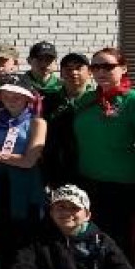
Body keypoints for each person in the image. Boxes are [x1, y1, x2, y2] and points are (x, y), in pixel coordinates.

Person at [72, 48, 135, 269]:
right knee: (95, 240)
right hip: (89, 181)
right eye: (96, 67)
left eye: (108, 66)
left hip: (125, 184)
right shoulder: (87, 99)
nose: (101, 72)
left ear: (123, 68)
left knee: (127, 243)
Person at [0, 74, 47, 261]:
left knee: (24, 237)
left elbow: (29, 161)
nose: (11, 101)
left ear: (28, 99)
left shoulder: (37, 123)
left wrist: (0, 157)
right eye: (7, 96)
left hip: (24, 187)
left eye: (17, 97)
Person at [40, 53, 94, 188]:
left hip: (91, 170)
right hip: (57, 171)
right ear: (61, 73)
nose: (73, 72)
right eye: (68, 69)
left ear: (89, 72)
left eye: (79, 68)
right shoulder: (48, 101)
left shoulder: (98, 100)